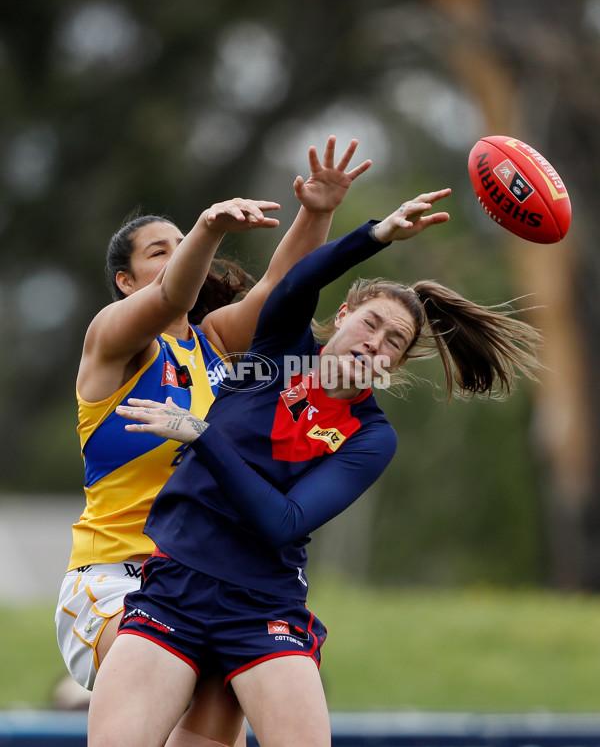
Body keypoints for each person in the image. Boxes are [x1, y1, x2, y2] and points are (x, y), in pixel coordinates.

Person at [87, 188, 541, 747]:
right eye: (371, 324)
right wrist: (376, 235)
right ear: (344, 315)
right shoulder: (276, 354)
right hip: (175, 586)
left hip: (263, 609)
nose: (374, 344)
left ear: (393, 367)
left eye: (393, 344)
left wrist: (202, 436)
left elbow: (285, 522)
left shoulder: (372, 436)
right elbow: (296, 279)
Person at [55, 137, 372, 747]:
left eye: (182, 245)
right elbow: (172, 294)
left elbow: (284, 287)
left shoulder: (213, 345)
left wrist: (318, 211)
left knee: (224, 698)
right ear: (125, 281)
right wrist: (206, 228)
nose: (178, 259)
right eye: (160, 251)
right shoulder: (114, 343)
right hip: (115, 577)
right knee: (192, 669)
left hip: (208, 579)